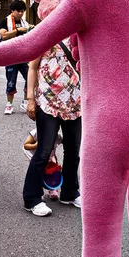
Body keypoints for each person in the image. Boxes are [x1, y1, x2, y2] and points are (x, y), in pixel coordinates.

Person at [24, 39, 81, 216]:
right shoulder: (46, 32)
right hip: (48, 101)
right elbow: (32, 67)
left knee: (73, 150)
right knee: (43, 151)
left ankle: (70, 193)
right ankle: (32, 199)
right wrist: (30, 99)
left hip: (74, 101)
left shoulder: (77, 35)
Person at [0, 0, 33, 115]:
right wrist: (18, 30)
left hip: (24, 56)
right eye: (18, 11)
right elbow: (4, 36)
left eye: (23, 11)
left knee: (30, 78)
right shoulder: (4, 22)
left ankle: (25, 101)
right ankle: (9, 104)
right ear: (12, 11)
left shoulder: (25, 23)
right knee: (11, 81)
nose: (21, 14)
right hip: (10, 56)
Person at [23, 127, 63, 200]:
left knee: (52, 172)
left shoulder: (57, 136)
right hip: (36, 156)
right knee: (37, 173)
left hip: (50, 156)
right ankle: (37, 191)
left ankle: (52, 189)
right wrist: (37, 145)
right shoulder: (36, 133)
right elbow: (26, 145)